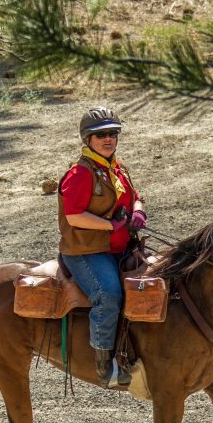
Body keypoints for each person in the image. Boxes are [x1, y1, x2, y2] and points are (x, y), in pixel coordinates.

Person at [57, 107, 147, 388]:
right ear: (88, 140)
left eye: (112, 134)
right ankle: (104, 363)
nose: (108, 139)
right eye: (100, 135)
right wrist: (113, 226)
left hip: (119, 247)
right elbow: (74, 216)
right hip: (86, 251)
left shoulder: (118, 168)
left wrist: (138, 212)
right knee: (108, 294)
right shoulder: (80, 174)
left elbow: (136, 197)